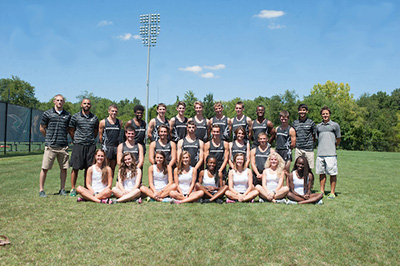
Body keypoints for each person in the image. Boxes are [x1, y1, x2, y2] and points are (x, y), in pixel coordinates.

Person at [39, 94, 71, 197]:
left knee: (64, 169)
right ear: (54, 101)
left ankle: (62, 189)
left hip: (63, 146)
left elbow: (67, 129)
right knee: (45, 168)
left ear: (64, 102)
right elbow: (42, 128)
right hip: (51, 146)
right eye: (57, 100)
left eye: (61, 100)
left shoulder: (68, 115)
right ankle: (41, 190)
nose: (59, 102)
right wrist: (48, 138)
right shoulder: (47, 114)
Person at [69, 98, 99, 197]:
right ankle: (73, 188)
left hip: (90, 145)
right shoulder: (75, 117)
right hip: (78, 145)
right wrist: (77, 139)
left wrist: (89, 139)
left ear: (90, 106)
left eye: (88, 104)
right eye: (85, 103)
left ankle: (87, 187)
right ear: (81, 105)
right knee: (75, 168)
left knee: (89, 168)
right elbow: (71, 130)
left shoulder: (94, 118)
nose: (86, 105)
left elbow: (95, 132)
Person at [316, 106, 341, 199]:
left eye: (326, 113)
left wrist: (334, 146)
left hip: (331, 154)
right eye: (323, 114)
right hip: (320, 153)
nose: (325, 115)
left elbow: (338, 138)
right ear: (321, 115)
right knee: (321, 173)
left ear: (329, 114)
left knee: (332, 173)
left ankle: (332, 192)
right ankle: (322, 191)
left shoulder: (335, 125)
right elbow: (317, 137)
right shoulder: (318, 126)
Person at [98, 104, 121, 177]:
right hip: (107, 147)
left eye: (116, 111)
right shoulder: (103, 122)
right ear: (109, 111)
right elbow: (100, 136)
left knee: (113, 168)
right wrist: (103, 146)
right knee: (105, 167)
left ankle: (110, 185)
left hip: (116, 148)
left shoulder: (119, 122)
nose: (114, 113)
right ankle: (103, 183)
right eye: (112, 111)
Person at [292, 103, 316, 169]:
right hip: (298, 149)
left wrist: (310, 144)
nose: (302, 112)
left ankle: (308, 179)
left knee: (309, 169)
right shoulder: (294, 123)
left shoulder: (311, 123)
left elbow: (314, 135)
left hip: (308, 149)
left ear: (307, 111)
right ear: (298, 111)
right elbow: (293, 135)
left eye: (304, 110)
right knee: (297, 168)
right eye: (300, 110)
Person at [275, 110, 296, 174]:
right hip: (278, 151)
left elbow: (293, 143)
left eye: (285, 119)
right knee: (277, 171)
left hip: (286, 151)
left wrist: (288, 149)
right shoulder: (277, 129)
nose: (283, 121)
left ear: (288, 119)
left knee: (286, 171)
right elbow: (276, 139)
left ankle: (287, 184)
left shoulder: (291, 130)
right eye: (282, 119)